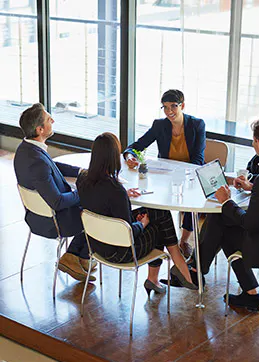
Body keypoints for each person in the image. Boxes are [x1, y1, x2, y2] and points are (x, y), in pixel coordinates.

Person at [175, 117, 259, 310]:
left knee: (223, 222)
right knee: (223, 218)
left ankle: (197, 272)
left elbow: (249, 224)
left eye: (253, 141)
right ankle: (204, 274)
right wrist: (252, 187)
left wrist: (226, 201)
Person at [76, 132, 198, 294]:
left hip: (96, 245)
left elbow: (101, 202)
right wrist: (142, 223)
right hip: (121, 251)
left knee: (158, 212)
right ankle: (179, 267)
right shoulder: (115, 190)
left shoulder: (83, 179)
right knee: (159, 222)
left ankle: (165, 274)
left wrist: (125, 195)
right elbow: (128, 235)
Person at [14, 103, 96, 283]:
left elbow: (53, 167)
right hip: (54, 222)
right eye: (49, 119)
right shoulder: (37, 161)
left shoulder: (26, 149)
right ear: (40, 129)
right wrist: (84, 191)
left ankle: (82, 257)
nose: (53, 120)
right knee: (97, 209)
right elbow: (57, 202)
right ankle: (73, 255)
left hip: (36, 216)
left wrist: (82, 172)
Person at [123, 89, 206, 259]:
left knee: (190, 201)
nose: (169, 112)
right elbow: (136, 145)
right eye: (165, 107)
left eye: (173, 107)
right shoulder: (159, 125)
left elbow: (198, 159)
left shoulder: (197, 125)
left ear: (182, 105)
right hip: (165, 176)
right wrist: (129, 155)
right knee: (154, 202)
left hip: (190, 174)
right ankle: (156, 239)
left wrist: (180, 172)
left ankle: (184, 240)